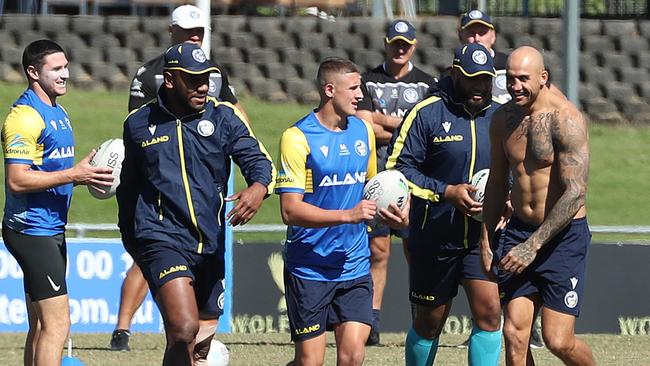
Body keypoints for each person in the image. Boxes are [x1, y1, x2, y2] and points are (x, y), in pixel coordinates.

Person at [116, 42, 275, 366]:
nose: (203, 85)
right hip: (161, 238)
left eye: (206, 78)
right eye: (193, 79)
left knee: (197, 346)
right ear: (170, 79)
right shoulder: (138, 124)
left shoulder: (224, 117)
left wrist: (258, 188)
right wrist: (133, 241)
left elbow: (258, 160)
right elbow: (127, 190)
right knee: (183, 328)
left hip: (211, 243)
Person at [275, 57, 409, 366]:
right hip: (310, 267)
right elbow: (290, 211)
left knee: (352, 356)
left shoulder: (363, 131)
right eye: (354, 88)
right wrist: (349, 215)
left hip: (354, 264)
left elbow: (373, 190)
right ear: (330, 90)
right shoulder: (296, 138)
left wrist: (399, 213)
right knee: (310, 362)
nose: (361, 94)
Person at [387, 43, 503, 365]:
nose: (479, 86)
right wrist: (446, 192)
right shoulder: (427, 113)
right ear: (455, 74)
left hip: (481, 240)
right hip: (435, 235)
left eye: (485, 79)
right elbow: (398, 169)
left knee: (490, 313)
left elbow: (514, 170)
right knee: (429, 321)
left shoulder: (500, 117)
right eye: (471, 78)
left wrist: (505, 199)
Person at [1, 39, 114, 366]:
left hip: (50, 229)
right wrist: (72, 175)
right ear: (33, 72)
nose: (66, 74)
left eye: (66, 66)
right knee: (58, 323)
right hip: (31, 232)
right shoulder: (24, 117)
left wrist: (84, 174)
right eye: (57, 69)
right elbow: (17, 179)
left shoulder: (58, 111)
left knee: (40, 323)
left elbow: (53, 170)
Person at [482, 46, 595, 366]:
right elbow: (495, 182)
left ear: (543, 78)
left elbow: (575, 194)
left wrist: (534, 245)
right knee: (515, 335)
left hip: (562, 238)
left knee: (558, 341)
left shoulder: (566, 119)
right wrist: (486, 237)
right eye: (508, 79)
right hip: (519, 233)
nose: (514, 86)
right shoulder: (502, 119)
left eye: (522, 79)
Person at [456, 9, 547, 350]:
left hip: (523, 213)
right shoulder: (449, 89)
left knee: (552, 334)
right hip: (469, 208)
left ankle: (528, 325)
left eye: (483, 32)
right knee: (504, 322)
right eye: (471, 32)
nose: (477, 37)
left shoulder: (518, 93)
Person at [356, 19, 437, 346]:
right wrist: (405, 125)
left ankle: (422, 317)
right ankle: (372, 322)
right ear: (386, 43)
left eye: (406, 44)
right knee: (377, 251)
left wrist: (382, 120)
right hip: (376, 177)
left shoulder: (428, 83)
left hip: (412, 179)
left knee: (415, 249)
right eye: (395, 43)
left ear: (414, 46)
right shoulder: (367, 80)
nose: (400, 48)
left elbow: (427, 130)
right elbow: (364, 125)